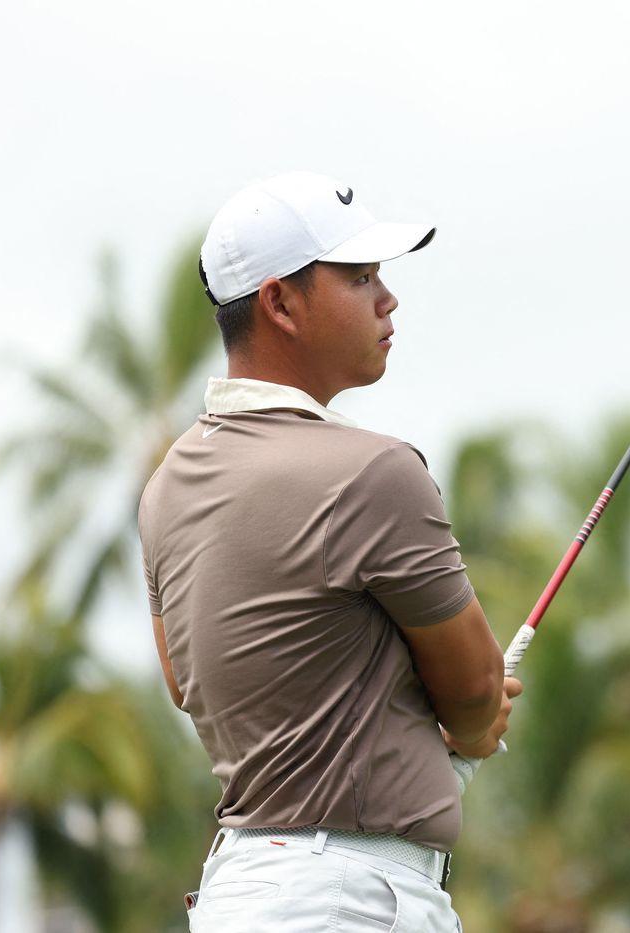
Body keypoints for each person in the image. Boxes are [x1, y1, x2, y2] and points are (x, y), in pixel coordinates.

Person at [137, 170, 521, 932]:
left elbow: (188, 683)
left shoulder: (164, 488)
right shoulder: (375, 472)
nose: (389, 299)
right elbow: (476, 687)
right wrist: (473, 730)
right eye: (360, 277)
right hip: (347, 899)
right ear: (280, 302)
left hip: (236, 894)